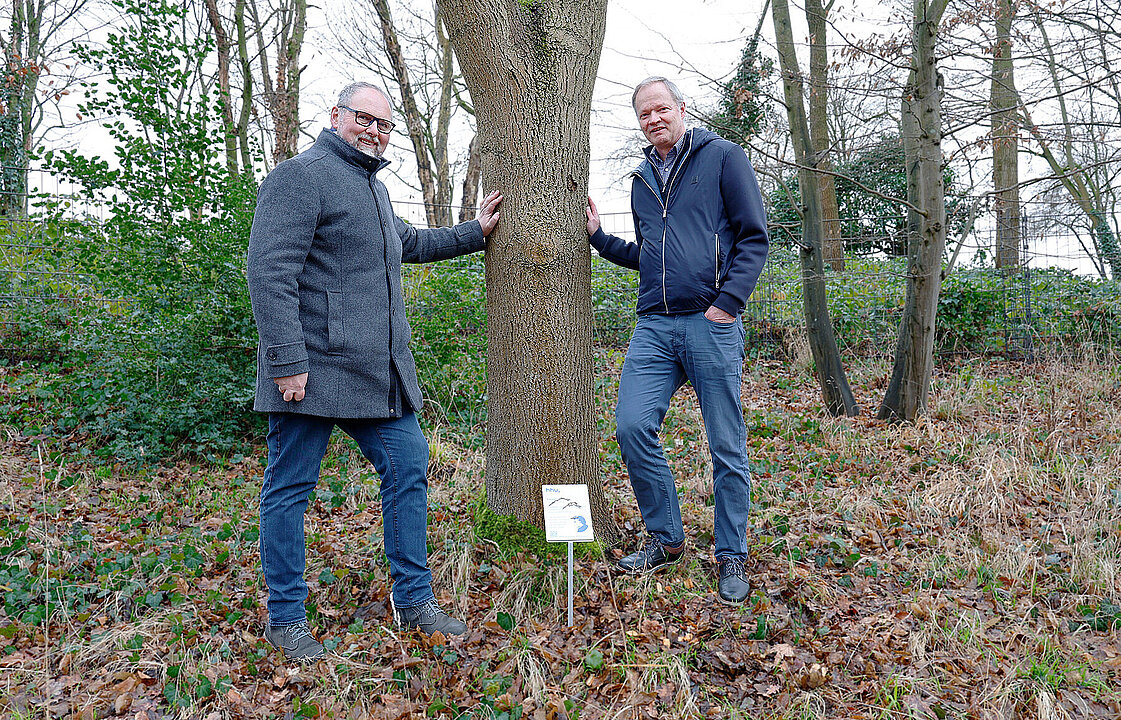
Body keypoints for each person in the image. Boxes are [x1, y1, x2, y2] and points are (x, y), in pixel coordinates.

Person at [247, 81, 502, 661]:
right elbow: (269, 272)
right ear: (335, 115)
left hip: (371, 374)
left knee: (409, 464)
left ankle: (414, 601)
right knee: (289, 491)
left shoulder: (373, 187)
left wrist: (473, 233)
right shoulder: (300, 175)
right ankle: (286, 619)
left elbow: (405, 244)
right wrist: (287, 362)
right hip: (308, 374)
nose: (374, 130)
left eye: (384, 124)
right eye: (364, 118)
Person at [585, 76, 768, 605]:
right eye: (644, 114)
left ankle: (732, 556)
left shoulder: (724, 158)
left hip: (711, 323)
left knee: (726, 446)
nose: (653, 119)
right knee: (630, 425)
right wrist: (598, 238)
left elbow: (754, 237)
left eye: (661, 109)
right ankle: (666, 540)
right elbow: (651, 256)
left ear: (682, 110)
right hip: (655, 326)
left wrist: (727, 304)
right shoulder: (642, 179)